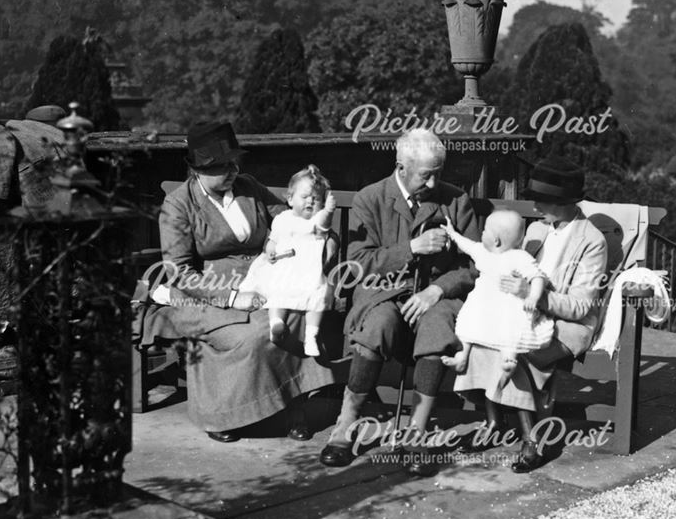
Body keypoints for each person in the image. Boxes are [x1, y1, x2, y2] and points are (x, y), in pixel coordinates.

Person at [138, 121, 336, 442]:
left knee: (296, 315)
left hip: (265, 280)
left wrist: (308, 237)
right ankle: (225, 415)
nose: (231, 171)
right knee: (257, 335)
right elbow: (180, 272)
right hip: (205, 294)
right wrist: (232, 297)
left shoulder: (248, 187)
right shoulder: (178, 206)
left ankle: (293, 408)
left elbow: (288, 218)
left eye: (232, 162)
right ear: (198, 170)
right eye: (220, 166)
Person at [318, 128, 480, 476]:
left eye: (439, 173)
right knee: (378, 324)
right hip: (383, 293)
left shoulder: (456, 201)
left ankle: (416, 433)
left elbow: (474, 265)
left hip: (435, 297)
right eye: (427, 175)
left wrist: (437, 290)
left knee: (438, 325)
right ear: (401, 167)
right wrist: (411, 249)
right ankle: (345, 424)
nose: (435, 184)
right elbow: (357, 263)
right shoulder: (370, 199)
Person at [454, 156, 608, 473]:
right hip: (522, 312)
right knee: (475, 340)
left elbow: (581, 306)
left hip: (568, 325)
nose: (535, 207)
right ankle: (494, 421)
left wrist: (531, 296)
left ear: (562, 201)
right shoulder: (537, 230)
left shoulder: (592, 241)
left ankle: (532, 438)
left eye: (541, 200)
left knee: (515, 351)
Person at [440, 209, 553, 387]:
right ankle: (461, 357)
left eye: (484, 230)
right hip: (483, 304)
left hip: (507, 305)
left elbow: (537, 277)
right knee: (468, 322)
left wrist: (532, 296)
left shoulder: (520, 257)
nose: (481, 233)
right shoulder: (483, 252)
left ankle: (508, 359)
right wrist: (452, 233)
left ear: (496, 240)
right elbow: (467, 245)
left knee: (511, 328)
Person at [238, 165, 336, 356]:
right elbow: (273, 240)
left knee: (318, 295)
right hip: (283, 268)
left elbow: (324, 223)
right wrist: (270, 250)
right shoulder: (282, 218)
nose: (310, 202)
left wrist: (329, 211)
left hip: (308, 271)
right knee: (277, 292)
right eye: (305, 197)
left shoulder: (316, 221)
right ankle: (277, 323)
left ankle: (311, 336)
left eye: (316, 199)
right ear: (290, 199)